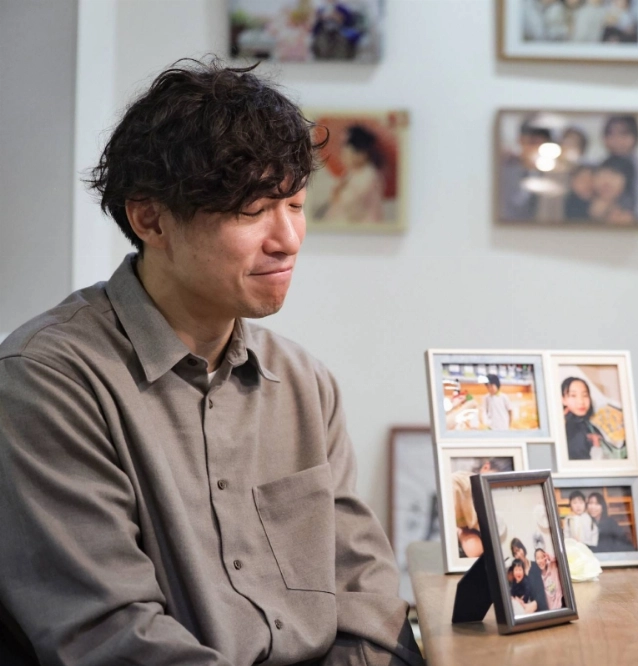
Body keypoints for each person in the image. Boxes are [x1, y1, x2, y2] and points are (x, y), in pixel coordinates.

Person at [0, 60, 423, 666]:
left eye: (296, 205)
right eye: (253, 212)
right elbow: (110, 636)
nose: (289, 239)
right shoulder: (45, 380)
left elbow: (365, 598)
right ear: (150, 219)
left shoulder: (305, 383)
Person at [316, 124, 385, 224]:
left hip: (363, 223)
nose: (345, 156)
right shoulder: (350, 173)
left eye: (350, 152)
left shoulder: (370, 175)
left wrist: (340, 192)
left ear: (363, 153)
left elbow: (350, 201)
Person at [601, 114, 638, 222]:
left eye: (623, 134)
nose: (617, 140)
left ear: (635, 136)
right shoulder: (601, 165)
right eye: (610, 134)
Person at [498, 120, 552, 221]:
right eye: (532, 142)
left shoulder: (551, 173)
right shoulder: (504, 167)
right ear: (520, 140)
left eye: (541, 144)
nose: (535, 149)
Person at [561, 376, 623, 460]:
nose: (581, 401)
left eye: (585, 395)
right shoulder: (570, 430)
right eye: (573, 395)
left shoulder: (586, 422)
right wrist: (596, 444)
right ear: (563, 400)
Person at [589, 157, 637, 225]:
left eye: (613, 176)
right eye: (601, 175)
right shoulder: (582, 204)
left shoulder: (630, 210)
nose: (606, 182)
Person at [510, 538, 549, 611]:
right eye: (515, 553)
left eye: (518, 550)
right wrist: (516, 599)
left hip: (542, 608)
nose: (518, 554)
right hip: (526, 611)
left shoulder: (536, 566)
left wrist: (534, 604)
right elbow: (513, 591)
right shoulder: (518, 574)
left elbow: (542, 590)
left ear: (523, 548)